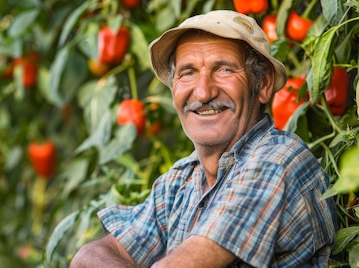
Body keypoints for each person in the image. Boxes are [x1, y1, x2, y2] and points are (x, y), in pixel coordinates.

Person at [70, 10, 337, 267]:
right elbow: (92, 255)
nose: (203, 92)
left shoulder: (277, 161)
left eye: (224, 69)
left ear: (264, 83)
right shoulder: (182, 181)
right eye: (187, 73)